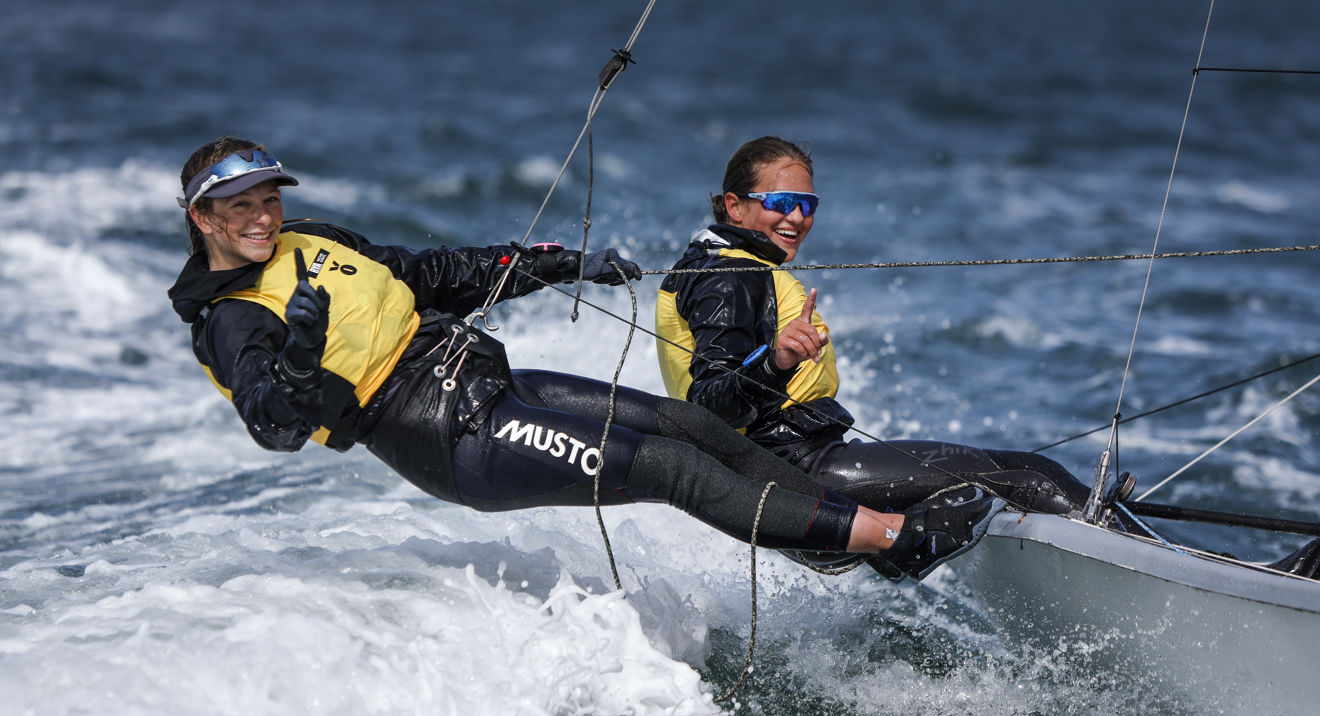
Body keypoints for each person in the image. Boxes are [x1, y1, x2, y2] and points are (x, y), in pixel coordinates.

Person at [166, 136, 1003, 582]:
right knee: (670, 467)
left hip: (488, 382)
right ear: (202, 218)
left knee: (685, 424)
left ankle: (825, 535)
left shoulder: (314, 239)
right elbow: (274, 426)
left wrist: (563, 263)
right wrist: (305, 357)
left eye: (270, 200)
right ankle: (895, 539)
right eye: (240, 207)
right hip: (443, 434)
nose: (263, 219)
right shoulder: (232, 319)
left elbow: (435, 276)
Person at [656, 135, 1093, 521]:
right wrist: (777, 362)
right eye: (781, 203)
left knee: (992, 485)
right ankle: (1145, 561)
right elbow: (708, 405)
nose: (797, 218)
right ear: (735, 205)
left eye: (807, 205)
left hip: (779, 466)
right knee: (1034, 477)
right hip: (795, 468)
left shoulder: (716, 266)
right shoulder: (730, 277)